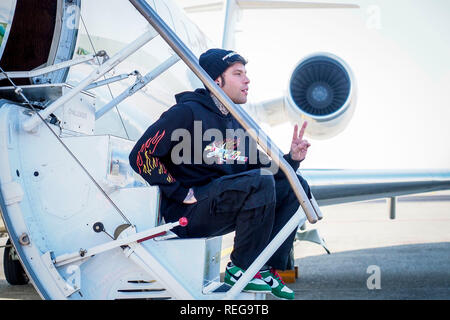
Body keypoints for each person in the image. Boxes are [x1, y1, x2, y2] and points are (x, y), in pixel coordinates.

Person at [129, 48, 312, 300]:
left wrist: (292, 159)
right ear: (216, 80)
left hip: (220, 206)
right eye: (238, 74)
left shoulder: (235, 122)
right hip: (187, 214)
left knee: (295, 185)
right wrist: (180, 193)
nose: (247, 80)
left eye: (246, 74)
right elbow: (141, 154)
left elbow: (264, 170)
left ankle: (265, 267)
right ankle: (241, 267)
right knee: (260, 182)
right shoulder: (187, 112)